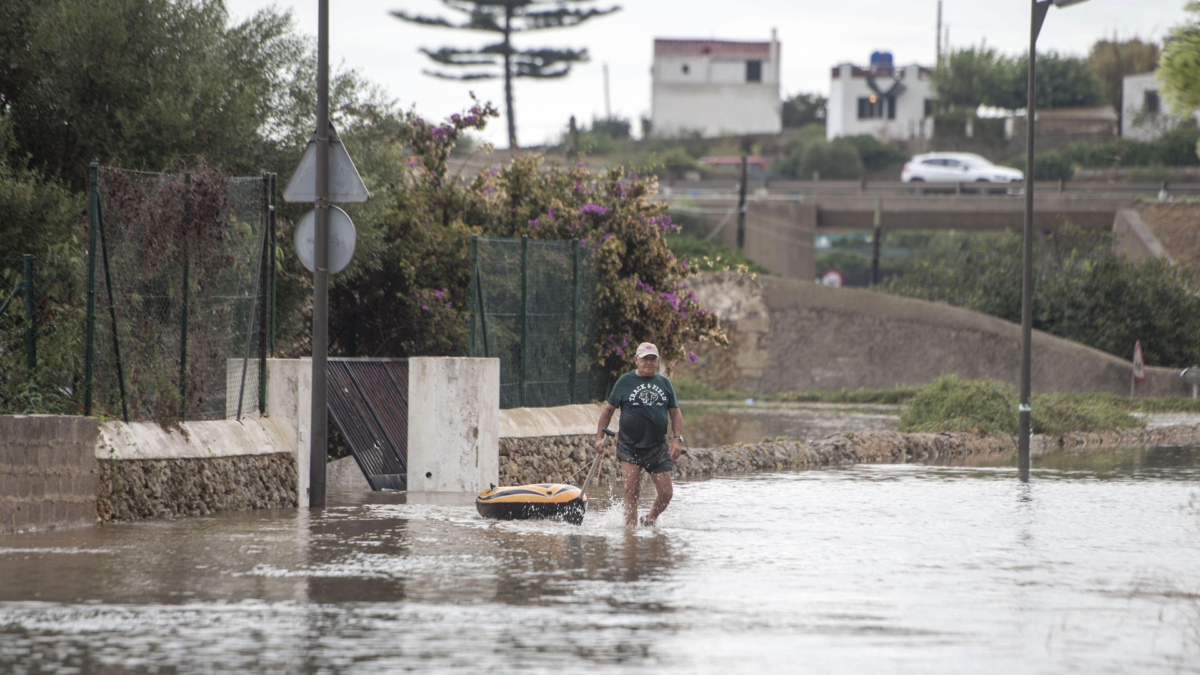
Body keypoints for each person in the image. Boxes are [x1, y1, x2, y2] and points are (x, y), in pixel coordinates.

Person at [595, 342, 685, 527]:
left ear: (657, 361)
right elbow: (608, 411)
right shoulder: (624, 382)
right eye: (645, 359)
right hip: (630, 446)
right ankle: (630, 537)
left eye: (653, 359)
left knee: (666, 493)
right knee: (631, 492)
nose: (649, 363)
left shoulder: (664, 382)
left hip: (658, 447)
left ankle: (650, 518)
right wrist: (598, 438)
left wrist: (677, 439)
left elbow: (675, 412)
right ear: (636, 360)